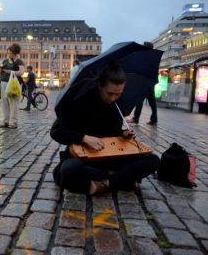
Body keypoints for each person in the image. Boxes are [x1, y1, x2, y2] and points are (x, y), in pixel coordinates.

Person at [50, 61, 160, 195]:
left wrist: (124, 134)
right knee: (68, 170)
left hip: (111, 156)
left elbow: (112, 131)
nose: (113, 98)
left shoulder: (118, 104)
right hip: (86, 157)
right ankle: (122, 179)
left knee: (153, 160)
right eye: (110, 93)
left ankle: (107, 183)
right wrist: (84, 138)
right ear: (100, 86)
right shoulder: (80, 101)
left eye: (118, 94)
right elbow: (57, 131)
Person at [126, 42, 158, 126]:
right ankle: (154, 119)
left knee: (139, 100)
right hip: (150, 83)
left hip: (144, 82)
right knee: (152, 103)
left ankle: (136, 119)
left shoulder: (145, 57)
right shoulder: (154, 57)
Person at [0, 43, 25, 129]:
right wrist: (0, 70)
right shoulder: (5, 61)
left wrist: (9, 72)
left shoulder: (19, 61)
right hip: (4, 82)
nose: (9, 54)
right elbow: (1, 71)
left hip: (14, 84)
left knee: (14, 103)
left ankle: (13, 122)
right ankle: (6, 121)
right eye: (8, 53)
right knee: (4, 103)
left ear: (16, 53)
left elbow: (21, 72)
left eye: (11, 53)